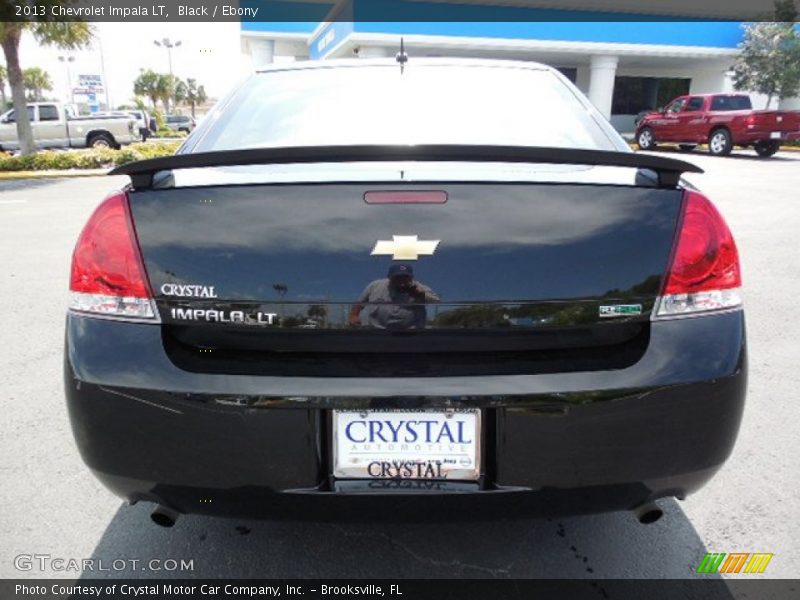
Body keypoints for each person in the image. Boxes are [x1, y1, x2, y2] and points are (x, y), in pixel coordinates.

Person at [349, 264, 440, 330]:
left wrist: (421, 295)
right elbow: (359, 303)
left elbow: (437, 301)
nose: (401, 282)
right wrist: (354, 315)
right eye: (397, 278)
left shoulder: (418, 287)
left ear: (411, 278)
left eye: (405, 278)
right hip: (379, 332)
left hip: (411, 333)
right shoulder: (375, 286)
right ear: (389, 277)